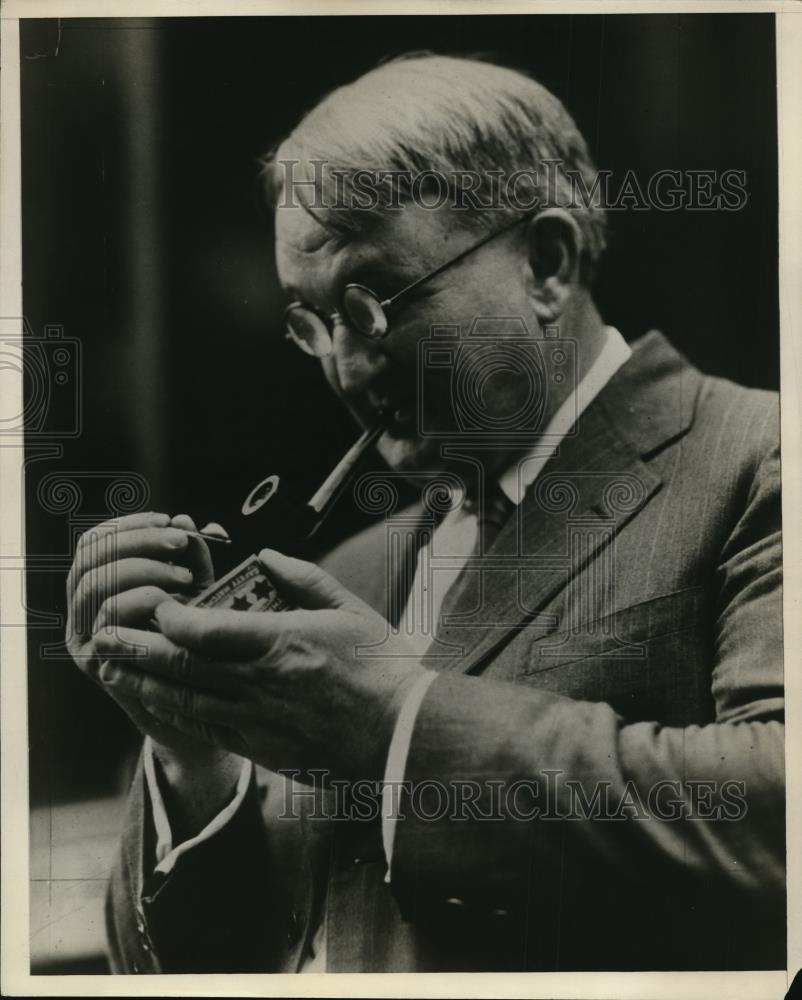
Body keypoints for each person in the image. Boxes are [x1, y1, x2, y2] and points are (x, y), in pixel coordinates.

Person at [66, 54, 784, 973]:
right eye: (312, 322)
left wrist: (398, 723)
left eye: (374, 303)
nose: (347, 370)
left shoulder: (759, 458)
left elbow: (782, 818)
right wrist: (190, 757)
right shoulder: (361, 572)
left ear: (547, 265)